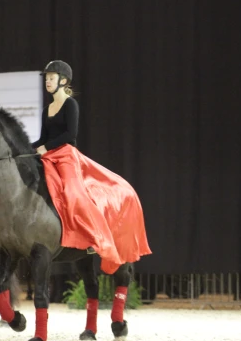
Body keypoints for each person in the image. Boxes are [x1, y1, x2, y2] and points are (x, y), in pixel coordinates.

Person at [31, 60, 152, 274]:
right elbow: (42, 137)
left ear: (63, 80)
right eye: (46, 77)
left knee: (73, 193)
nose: (47, 81)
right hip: (48, 156)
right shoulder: (46, 109)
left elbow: (70, 135)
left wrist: (45, 148)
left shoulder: (70, 104)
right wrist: (26, 148)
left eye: (51, 77)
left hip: (67, 155)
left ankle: (90, 238)